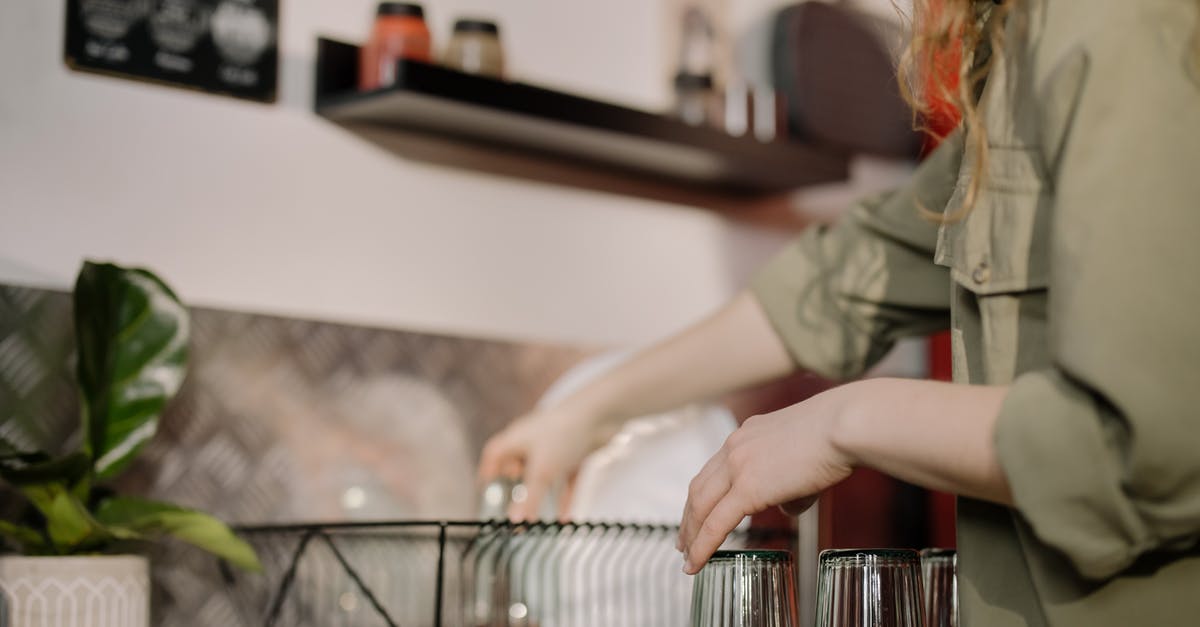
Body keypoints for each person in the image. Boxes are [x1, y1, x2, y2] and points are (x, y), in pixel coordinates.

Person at [478, 0, 1200, 624]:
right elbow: (845, 279)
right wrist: (591, 411)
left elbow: (1145, 442)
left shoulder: (1117, 24)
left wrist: (842, 421)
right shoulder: (1020, 52)